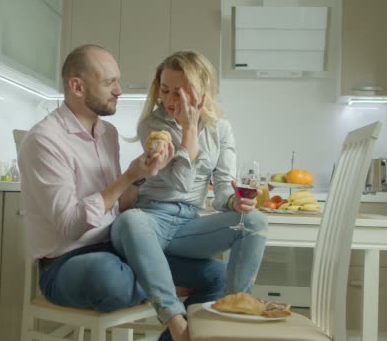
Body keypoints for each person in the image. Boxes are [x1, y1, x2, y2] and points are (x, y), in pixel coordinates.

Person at [18, 45, 226, 340]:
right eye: (109, 82)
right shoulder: (44, 140)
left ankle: (170, 316)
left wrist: (144, 178)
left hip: (116, 249)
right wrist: (129, 175)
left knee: (217, 275)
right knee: (110, 278)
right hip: (67, 264)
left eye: (118, 80)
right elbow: (70, 226)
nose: (119, 90)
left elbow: (119, 206)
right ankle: (163, 294)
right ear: (77, 86)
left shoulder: (108, 134)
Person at [110, 50, 269, 340]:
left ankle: (234, 317)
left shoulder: (221, 130)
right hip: (149, 223)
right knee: (130, 220)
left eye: (179, 93)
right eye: (165, 90)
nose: (170, 101)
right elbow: (181, 183)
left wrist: (234, 201)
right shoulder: (152, 125)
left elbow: (222, 188)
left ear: (201, 91)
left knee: (254, 222)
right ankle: (175, 321)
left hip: (188, 228)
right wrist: (189, 131)